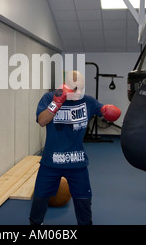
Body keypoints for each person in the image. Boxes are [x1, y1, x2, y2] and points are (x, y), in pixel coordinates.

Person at [29, 70, 121, 225]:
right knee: (39, 201)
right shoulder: (48, 98)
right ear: (65, 86)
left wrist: (107, 110)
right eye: (75, 88)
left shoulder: (88, 101)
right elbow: (42, 121)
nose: (79, 92)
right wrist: (56, 104)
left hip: (77, 162)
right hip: (51, 162)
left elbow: (103, 111)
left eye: (82, 88)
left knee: (84, 202)